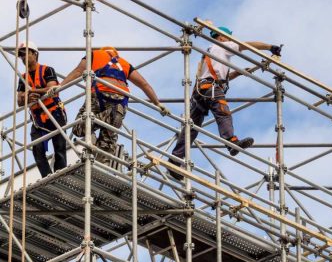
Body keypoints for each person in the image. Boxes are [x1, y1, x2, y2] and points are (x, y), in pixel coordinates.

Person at [167, 26, 282, 180]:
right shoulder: (222, 46)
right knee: (223, 113)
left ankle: (175, 160)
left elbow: (218, 76)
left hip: (200, 91)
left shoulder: (210, 51)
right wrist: (270, 47)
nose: (229, 41)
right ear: (221, 37)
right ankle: (231, 142)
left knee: (191, 129)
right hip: (211, 88)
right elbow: (245, 45)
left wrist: (238, 72)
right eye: (227, 38)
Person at [47, 46, 169, 165]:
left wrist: (61, 86)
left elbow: (79, 71)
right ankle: (101, 166)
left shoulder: (94, 54)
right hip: (120, 101)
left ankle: (101, 119)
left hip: (99, 94)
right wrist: (157, 103)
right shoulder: (125, 64)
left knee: (78, 128)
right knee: (107, 144)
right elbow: (144, 84)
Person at [17, 41, 67, 178]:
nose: (22, 58)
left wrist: (34, 91)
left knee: (60, 148)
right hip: (38, 118)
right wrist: (28, 97)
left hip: (54, 113)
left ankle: (60, 177)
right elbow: (19, 101)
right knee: (37, 150)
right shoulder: (23, 78)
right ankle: (47, 177)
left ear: (34, 54)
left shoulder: (47, 70)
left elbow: (53, 89)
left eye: (25, 54)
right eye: (20, 56)